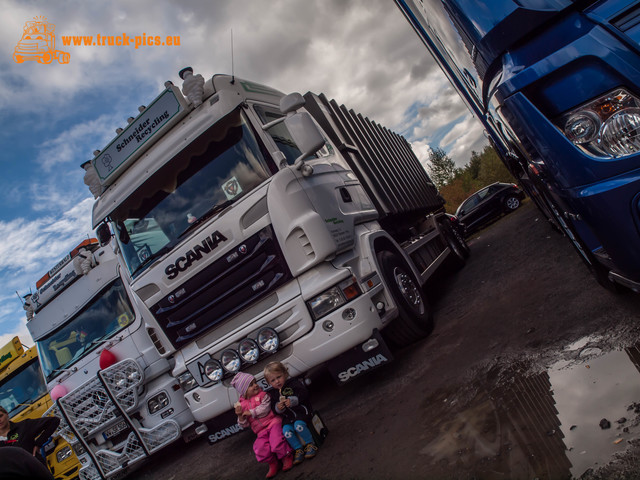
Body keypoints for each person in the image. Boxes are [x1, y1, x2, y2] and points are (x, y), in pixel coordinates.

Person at [231, 372, 293, 478]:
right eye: (251, 385)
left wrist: (252, 412)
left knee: (276, 441)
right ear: (244, 391)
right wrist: (240, 416)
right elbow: (244, 424)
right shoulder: (241, 405)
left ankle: (286, 456)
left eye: (255, 382)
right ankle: (273, 463)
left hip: (273, 422)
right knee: (260, 448)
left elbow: (265, 409)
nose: (255, 385)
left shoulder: (263, 396)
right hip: (260, 431)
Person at [263, 362, 318, 466]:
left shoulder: (293, 383)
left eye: (279, 377)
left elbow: (304, 393)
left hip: (302, 412)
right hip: (288, 417)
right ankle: (298, 449)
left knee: (299, 426)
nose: (277, 381)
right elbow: (273, 409)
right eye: (273, 380)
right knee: (286, 431)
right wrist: (278, 408)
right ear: (269, 383)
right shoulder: (273, 393)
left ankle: (310, 444)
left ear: (285, 374)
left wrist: (293, 400)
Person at [0, 406, 59, 472]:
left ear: (7, 414)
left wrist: (38, 443)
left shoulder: (24, 426)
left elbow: (54, 421)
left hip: (37, 470)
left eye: (0, 416)